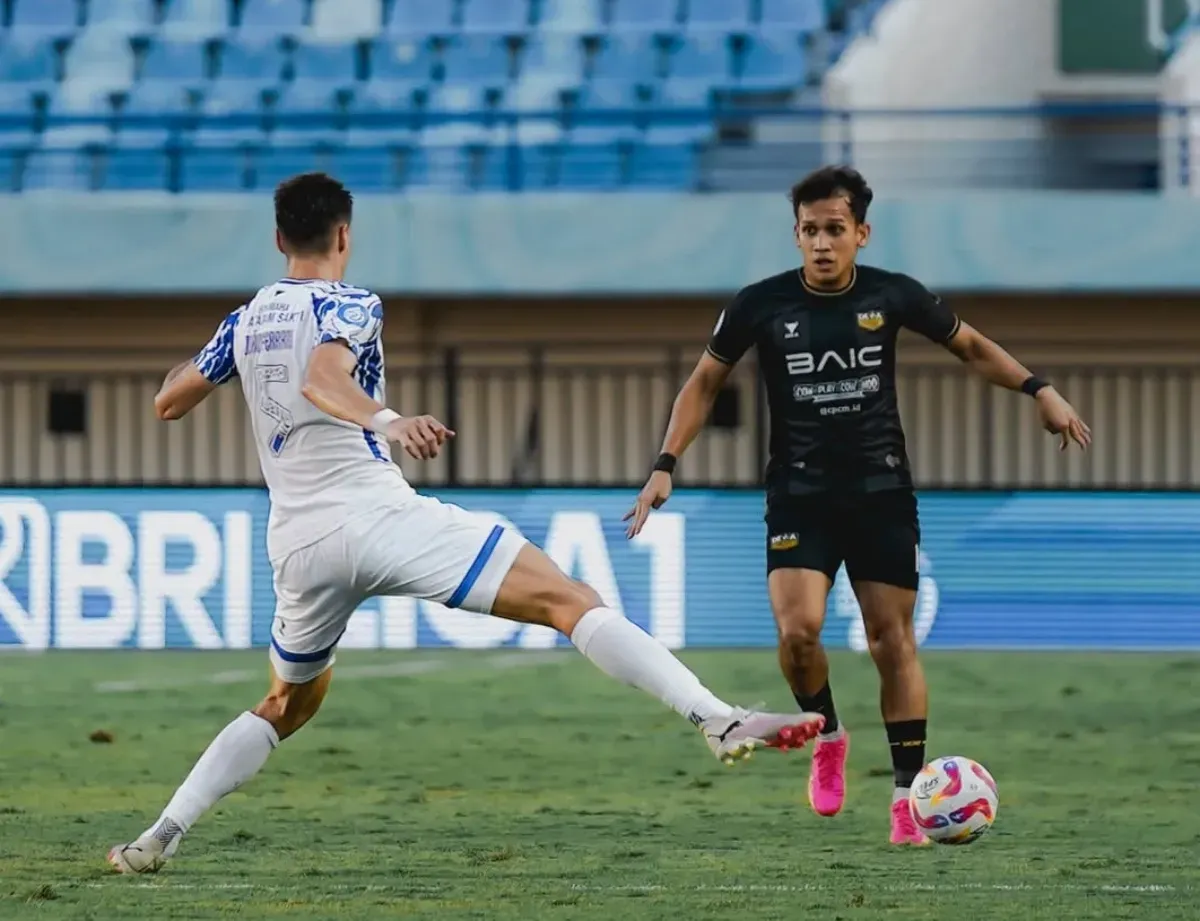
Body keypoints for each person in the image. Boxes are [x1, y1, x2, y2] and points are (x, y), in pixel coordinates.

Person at [106, 173, 824, 875]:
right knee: (569, 600)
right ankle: (713, 716)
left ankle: (163, 832)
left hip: (297, 545)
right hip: (375, 515)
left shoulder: (247, 318)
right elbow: (320, 380)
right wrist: (390, 420)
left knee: (285, 703)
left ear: (277, 239)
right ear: (344, 235)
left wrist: (228, 346)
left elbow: (170, 401)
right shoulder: (352, 301)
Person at [625, 165, 1091, 846]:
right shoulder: (759, 304)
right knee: (799, 632)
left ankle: (907, 796)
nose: (821, 242)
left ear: (861, 234)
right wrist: (666, 464)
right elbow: (702, 383)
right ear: (796, 235)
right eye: (809, 230)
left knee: (890, 640)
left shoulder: (892, 295)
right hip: (799, 495)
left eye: (834, 229)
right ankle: (830, 734)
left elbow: (970, 346)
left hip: (881, 493)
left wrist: (1039, 389)